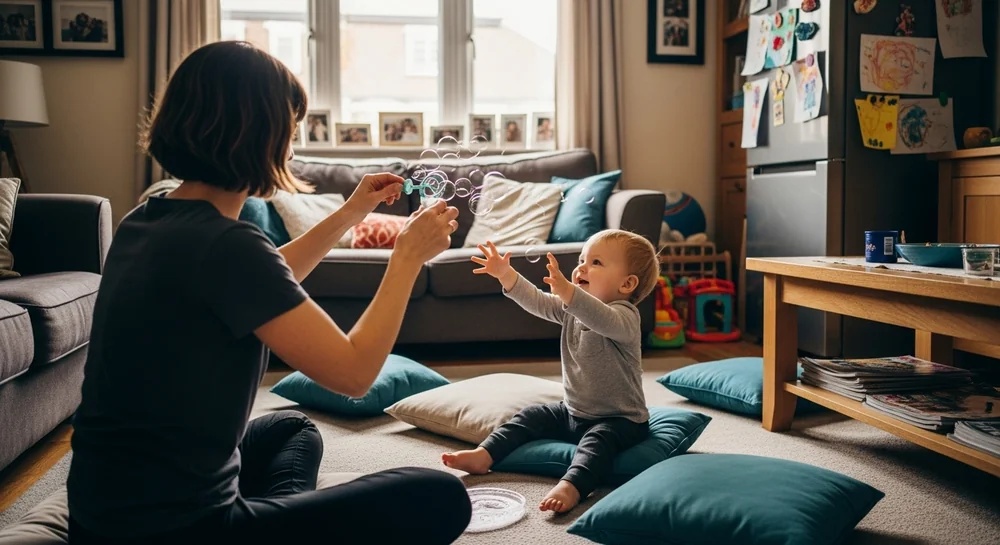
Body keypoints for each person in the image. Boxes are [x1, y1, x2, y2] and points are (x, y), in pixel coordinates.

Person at [66, 41, 471, 545]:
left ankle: (281, 519)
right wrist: (406, 257)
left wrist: (351, 212)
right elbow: (353, 374)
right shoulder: (227, 245)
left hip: (100, 513)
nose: (294, 143)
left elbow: (263, 277)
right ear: (258, 133)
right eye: (291, 128)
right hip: (178, 530)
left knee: (291, 429)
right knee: (440, 495)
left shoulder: (146, 219)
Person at [442, 230, 660, 513]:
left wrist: (570, 293)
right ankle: (484, 455)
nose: (582, 267)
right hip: (573, 412)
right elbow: (538, 301)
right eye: (582, 259)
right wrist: (506, 275)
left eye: (596, 263)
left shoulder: (625, 317)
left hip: (621, 421)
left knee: (598, 442)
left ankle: (573, 485)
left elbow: (599, 317)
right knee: (531, 415)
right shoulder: (571, 309)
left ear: (627, 284)